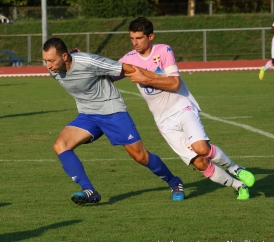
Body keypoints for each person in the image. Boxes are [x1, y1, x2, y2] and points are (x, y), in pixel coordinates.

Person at [114, 17, 255, 200]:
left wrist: (145, 79)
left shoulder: (163, 51)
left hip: (182, 107)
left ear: (150, 36)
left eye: (139, 38)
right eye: (132, 38)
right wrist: (79, 61)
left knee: (202, 148)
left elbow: (174, 83)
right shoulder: (129, 59)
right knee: (200, 163)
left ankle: (235, 168)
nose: (135, 43)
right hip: (163, 120)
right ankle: (239, 185)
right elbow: (109, 73)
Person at [42, 37, 185, 205]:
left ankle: (175, 183)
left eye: (51, 60)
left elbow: (127, 68)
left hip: (112, 111)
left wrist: (157, 79)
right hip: (88, 115)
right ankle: (89, 191)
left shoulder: (89, 62)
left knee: (140, 156)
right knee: (60, 145)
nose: (48, 66)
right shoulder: (54, 70)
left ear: (64, 56)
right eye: (45, 61)